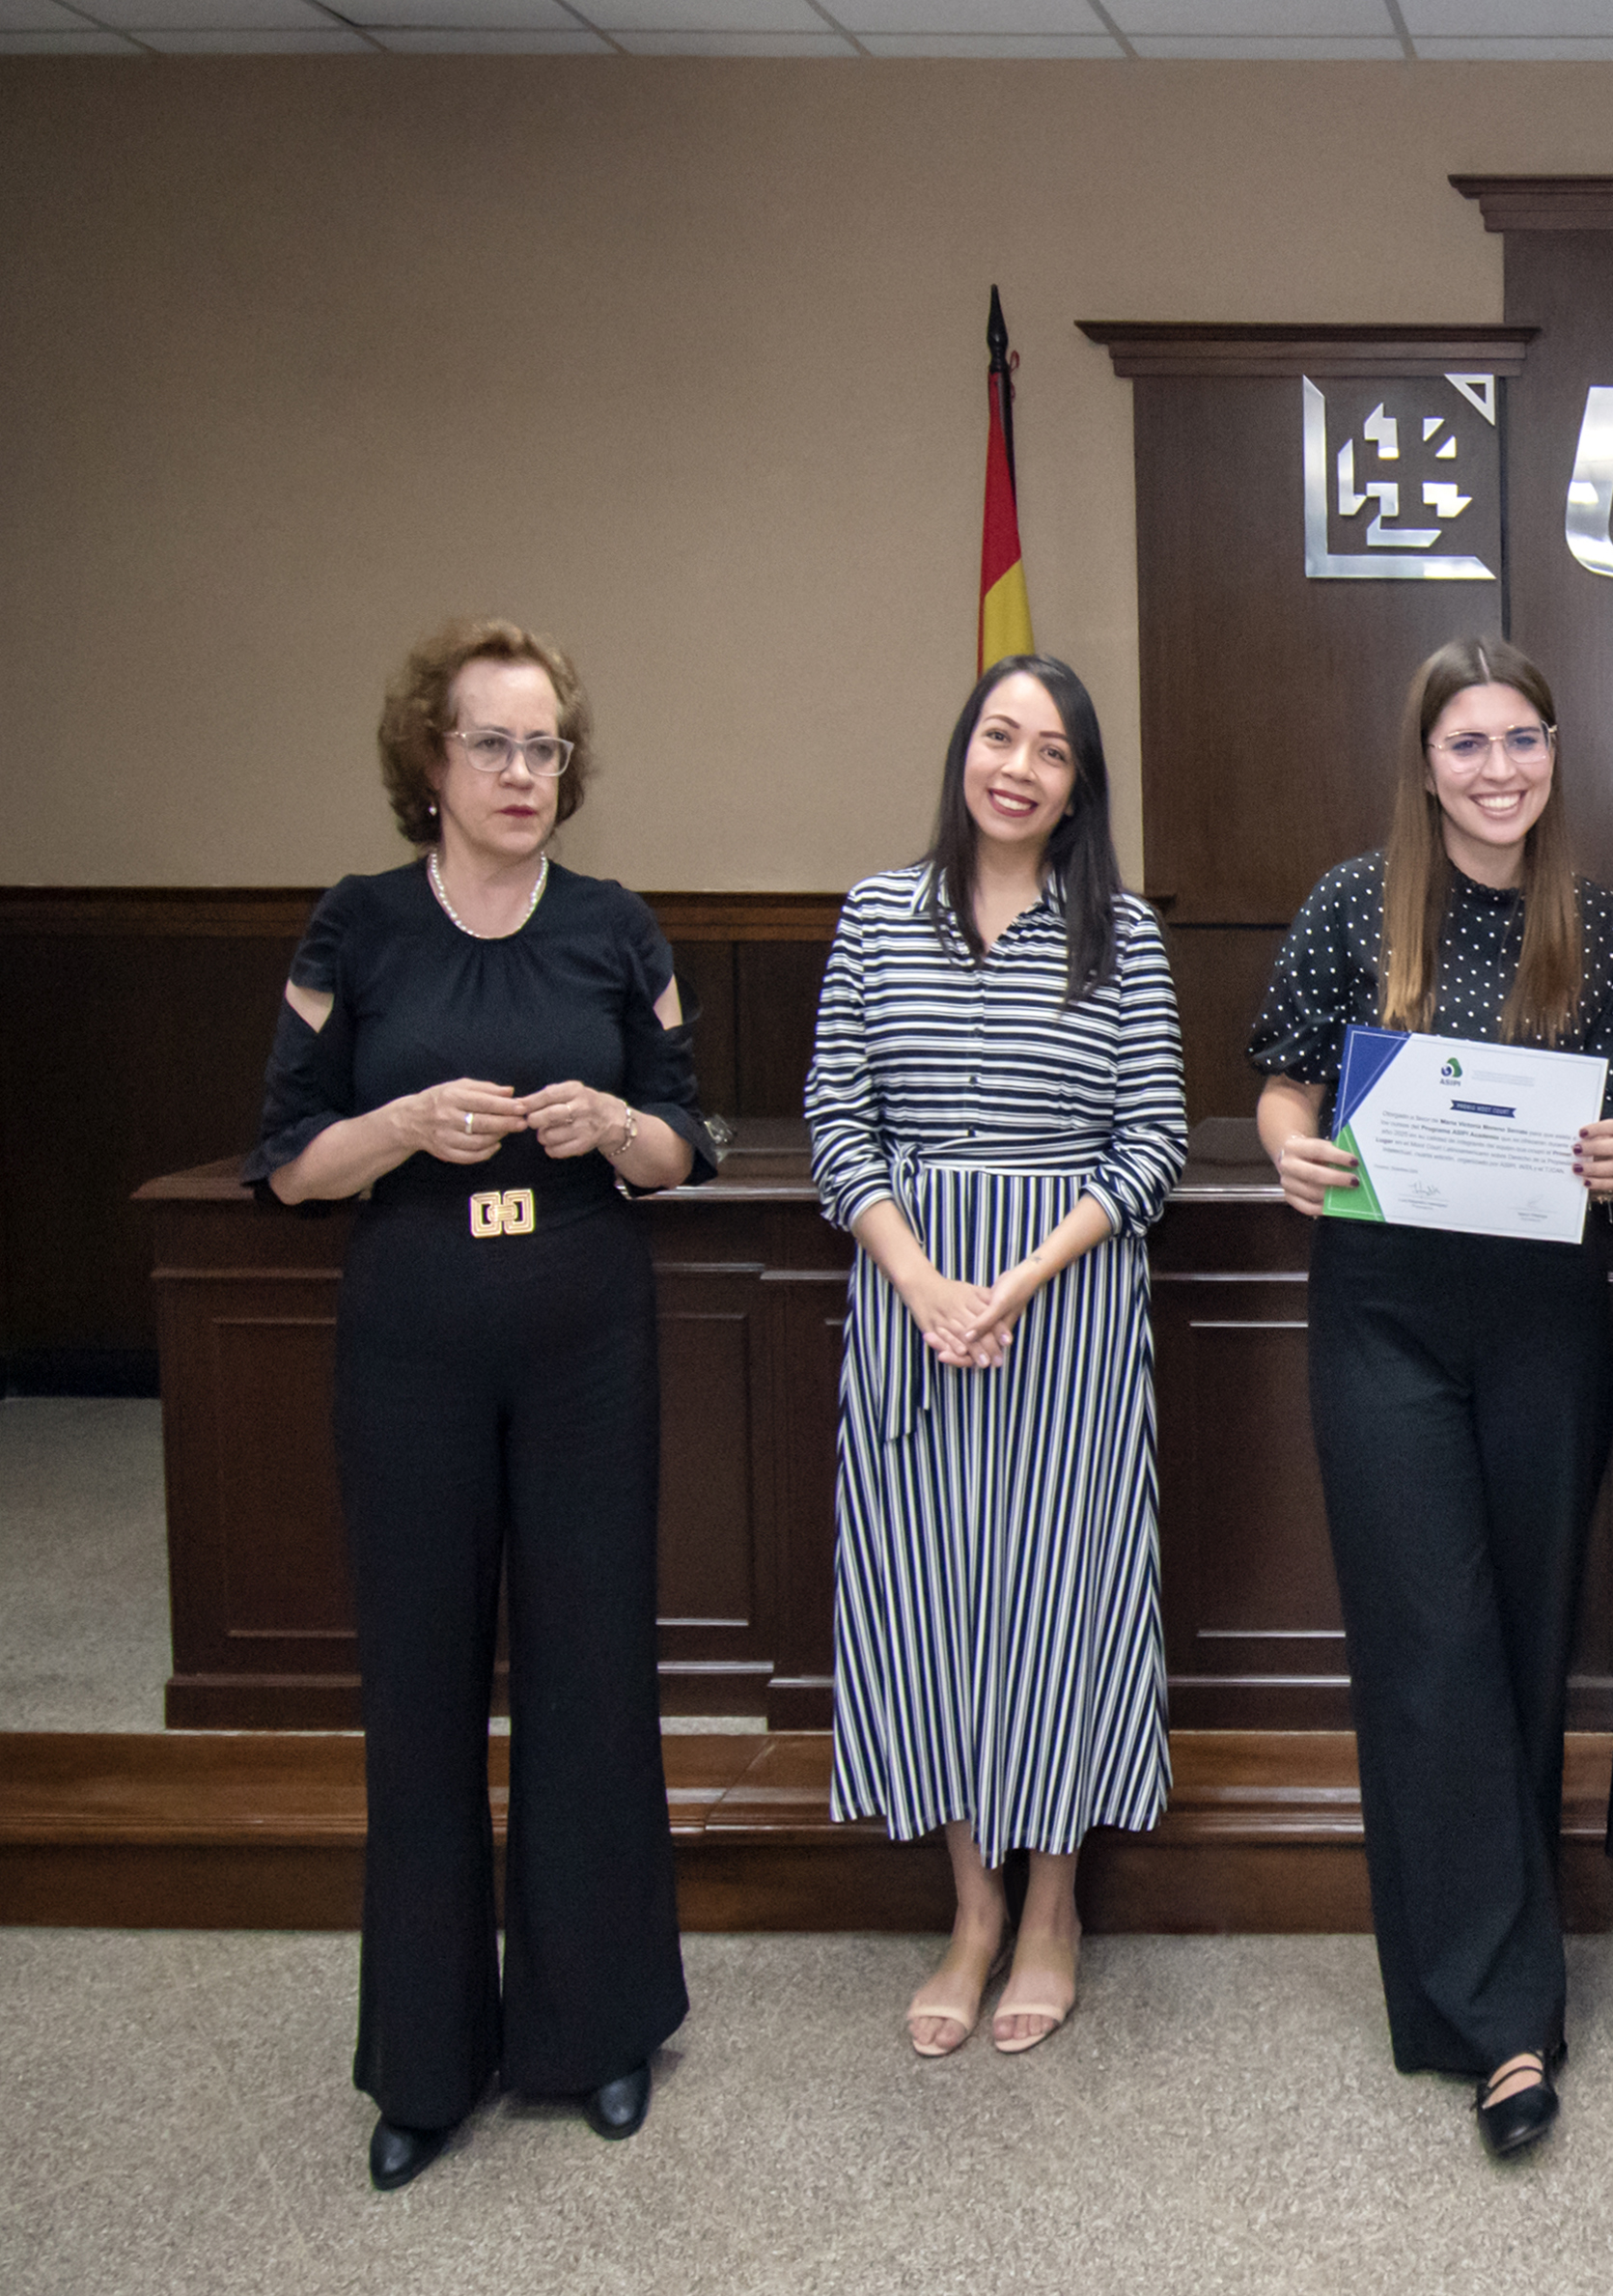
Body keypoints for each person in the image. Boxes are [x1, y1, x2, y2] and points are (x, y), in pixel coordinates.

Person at [244, 618, 713, 2192]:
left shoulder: (615, 928)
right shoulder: (358, 927)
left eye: (546, 747)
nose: (525, 773)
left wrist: (613, 1127)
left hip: (585, 1338)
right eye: (493, 744)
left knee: (592, 1671)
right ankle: (426, 2062)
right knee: (421, 1682)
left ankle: (595, 2029)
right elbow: (291, 1166)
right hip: (413, 1341)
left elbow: (682, 1142)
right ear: (429, 761)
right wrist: (399, 1123)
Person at [1248, 637, 1613, 2160]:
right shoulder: (1355, 904)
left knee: (1527, 1647)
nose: (1497, 769)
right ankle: (1500, 2022)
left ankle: (1488, 1982)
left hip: (1546, 1323)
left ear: (1553, 752)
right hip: (1385, 1322)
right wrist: (1289, 1145)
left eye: (1520, 739)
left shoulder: (1600, 926)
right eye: (1467, 744)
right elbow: (1283, 1077)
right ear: (1425, 766)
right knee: (1427, 1646)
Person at [807, 653, 1187, 2063]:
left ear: (1079, 788)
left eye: (1052, 751)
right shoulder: (876, 916)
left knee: (1058, 1603)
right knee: (934, 1602)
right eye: (999, 736)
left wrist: (1015, 1281)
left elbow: (1152, 1143)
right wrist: (924, 1283)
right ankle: (971, 1910)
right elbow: (836, 1122)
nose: (1018, 768)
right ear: (963, 751)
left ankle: (1053, 1907)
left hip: (1066, 1306)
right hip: (910, 1300)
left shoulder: (1120, 932)